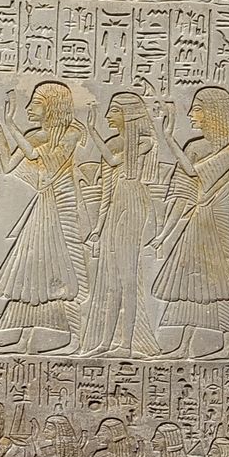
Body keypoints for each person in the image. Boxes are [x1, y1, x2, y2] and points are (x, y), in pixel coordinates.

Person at [0, 80, 90, 350]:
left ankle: (77, 340)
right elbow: (8, 166)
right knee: (33, 268)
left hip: (63, 207)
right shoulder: (35, 135)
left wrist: (11, 125)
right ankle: (26, 339)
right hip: (43, 204)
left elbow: (47, 161)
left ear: (53, 107)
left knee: (68, 270)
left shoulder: (71, 133)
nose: (29, 109)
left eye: (36, 104)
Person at [151, 87, 229, 357]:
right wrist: (164, 234)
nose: (191, 114)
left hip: (218, 221)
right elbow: (183, 193)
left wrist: (169, 139)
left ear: (214, 113)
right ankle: (183, 345)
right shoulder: (193, 147)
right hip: (195, 221)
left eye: (197, 109)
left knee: (222, 282)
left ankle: (228, 346)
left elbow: (199, 175)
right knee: (188, 281)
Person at [81, 92, 160, 356]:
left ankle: (126, 345)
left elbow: (116, 161)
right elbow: (107, 190)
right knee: (112, 282)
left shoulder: (144, 141)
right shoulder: (113, 143)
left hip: (133, 206)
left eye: (113, 110)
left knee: (127, 280)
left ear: (129, 114)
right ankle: (107, 343)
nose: (107, 116)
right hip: (116, 208)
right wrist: (98, 227)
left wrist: (93, 131)